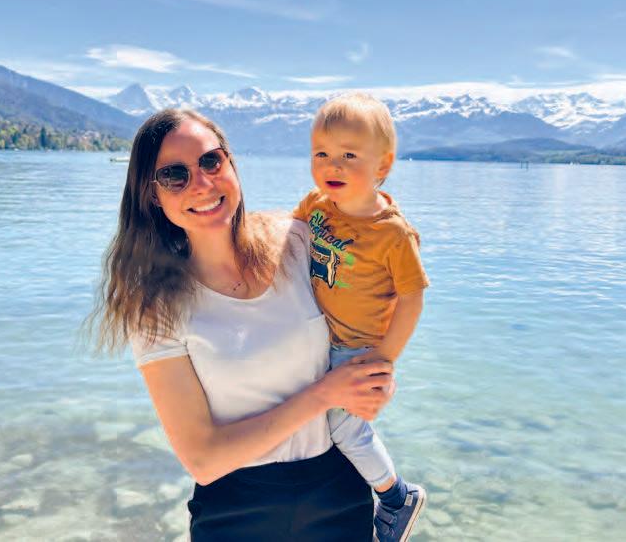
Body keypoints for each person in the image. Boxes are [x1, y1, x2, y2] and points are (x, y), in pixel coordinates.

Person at [90, 108, 396, 541]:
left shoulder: (299, 241)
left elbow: (374, 298)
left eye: (211, 161)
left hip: (340, 492)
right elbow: (203, 459)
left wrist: (378, 372)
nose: (201, 182)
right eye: (175, 175)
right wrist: (324, 395)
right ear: (153, 195)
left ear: (231, 163)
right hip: (237, 510)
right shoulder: (156, 306)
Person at [293, 93, 429, 542]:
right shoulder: (316, 206)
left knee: (344, 428)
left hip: (356, 349)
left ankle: (395, 496)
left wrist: (385, 358)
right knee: (309, 417)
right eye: (322, 154)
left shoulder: (392, 233)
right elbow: (284, 237)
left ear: (382, 165)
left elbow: (412, 298)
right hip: (317, 338)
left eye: (349, 156)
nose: (333, 166)